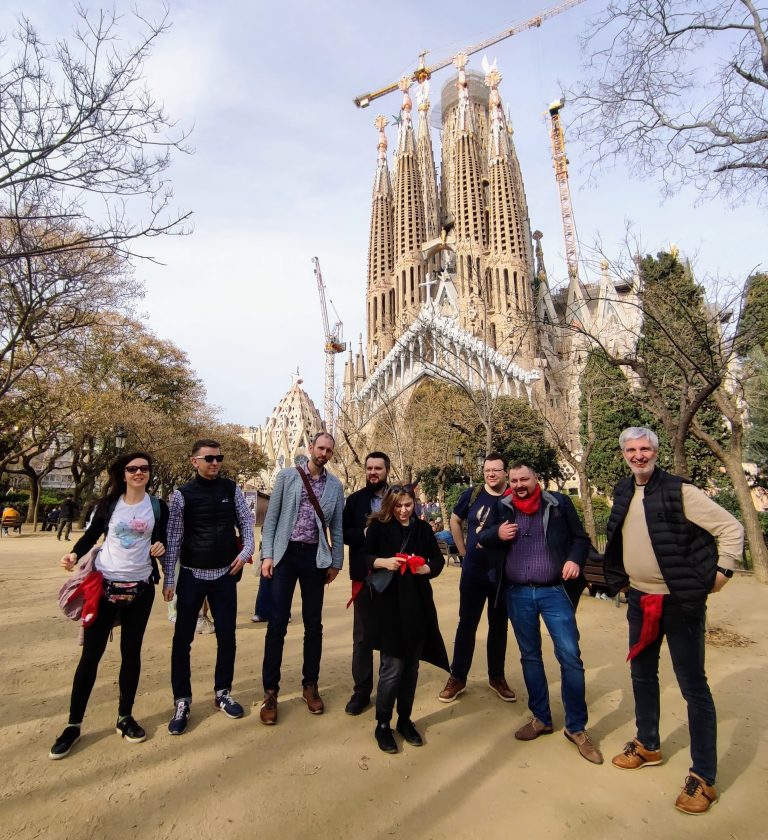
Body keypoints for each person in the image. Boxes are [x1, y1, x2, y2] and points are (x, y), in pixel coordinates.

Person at [604, 427, 744, 815]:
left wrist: (722, 574)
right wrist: (619, 581)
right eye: (631, 450)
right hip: (640, 599)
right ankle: (647, 744)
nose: (638, 455)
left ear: (655, 451)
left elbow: (731, 528)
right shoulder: (623, 489)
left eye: (644, 449)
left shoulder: (681, 490)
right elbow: (616, 537)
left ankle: (703, 779)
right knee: (642, 675)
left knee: (692, 686)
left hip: (680, 602)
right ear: (624, 455)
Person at [479, 461, 602, 764]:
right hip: (518, 593)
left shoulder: (558, 503)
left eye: (525, 479)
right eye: (515, 479)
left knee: (570, 656)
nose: (520, 484)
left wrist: (574, 560)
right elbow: (483, 538)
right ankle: (541, 718)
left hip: (554, 591)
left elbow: (581, 539)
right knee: (530, 656)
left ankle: (576, 727)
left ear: (536, 479)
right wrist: (499, 534)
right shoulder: (504, 506)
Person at [49, 452, 169, 759]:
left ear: (149, 473)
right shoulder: (109, 505)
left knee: (131, 654)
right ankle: (73, 725)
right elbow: (91, 535)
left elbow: (163, 540)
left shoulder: (158, 506)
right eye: (133, 468)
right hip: (103, 587)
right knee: (91, 655)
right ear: (124, 474)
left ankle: (124, 717)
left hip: (140, 590)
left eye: (144, 468)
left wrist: (161, 546)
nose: (139, 472)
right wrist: (74, 554)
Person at [162, 439, 255, 735]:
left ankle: (222, 692)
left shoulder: (232, 489)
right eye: (209, 458)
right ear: (195, 461)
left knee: (227, 637)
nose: (215, 463)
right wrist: (169, 578)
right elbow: (174, 537)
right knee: (182, 640)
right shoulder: (181, 495)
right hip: (191, 575)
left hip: (224, 575)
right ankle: (182, 700)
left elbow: (247, 525)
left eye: (219, 458)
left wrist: (245, 553)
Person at [258, 432, 344, 725]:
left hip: (314, 558)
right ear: (311, 449)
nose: (324, 453)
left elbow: (337, 527)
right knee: (277, 623)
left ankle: (310, 684)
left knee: (313, 624)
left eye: (329, 450)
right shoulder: (287, 477)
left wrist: (336, 562)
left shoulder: (335, 486)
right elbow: (271, 520)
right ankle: (270, 691)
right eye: (320, 448)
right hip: (285, 554)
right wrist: (267, 556)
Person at [362, 485, 449, 753]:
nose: (403, 511)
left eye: (408, 505)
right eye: (398, 505)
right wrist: (383, 562)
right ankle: (383, 723)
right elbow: (363, 558)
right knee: (393, 667)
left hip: (417, 604)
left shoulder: (422, 529)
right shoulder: (378, 526)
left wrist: (427, 567)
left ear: (414, 504)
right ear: (390, 504)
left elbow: (437, 559)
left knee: (411, 668)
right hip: (389, 604)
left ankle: (404, 719)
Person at [438, 453, 516, 704]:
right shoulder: (472, 495)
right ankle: (458, 677)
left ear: (505, 472)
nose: (491, 474)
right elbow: (455, 519)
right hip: (474, 572)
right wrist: (463, 552)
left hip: (503, 574)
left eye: (496, 470)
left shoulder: (514, 497)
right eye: (487, 470)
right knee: (466, 625)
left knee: (498, 627)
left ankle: (497, 677)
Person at [342, 451, 390, 715]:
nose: (373, 472)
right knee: (361, 637)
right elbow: (343, 532)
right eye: (370, 468)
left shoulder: (397, 498)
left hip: (392, 575)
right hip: (363, 575)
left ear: (386, 471)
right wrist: (363, 532)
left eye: (378, 468)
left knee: (388, 634)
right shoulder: (355, 500)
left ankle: (387, 688)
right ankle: (361, 692)